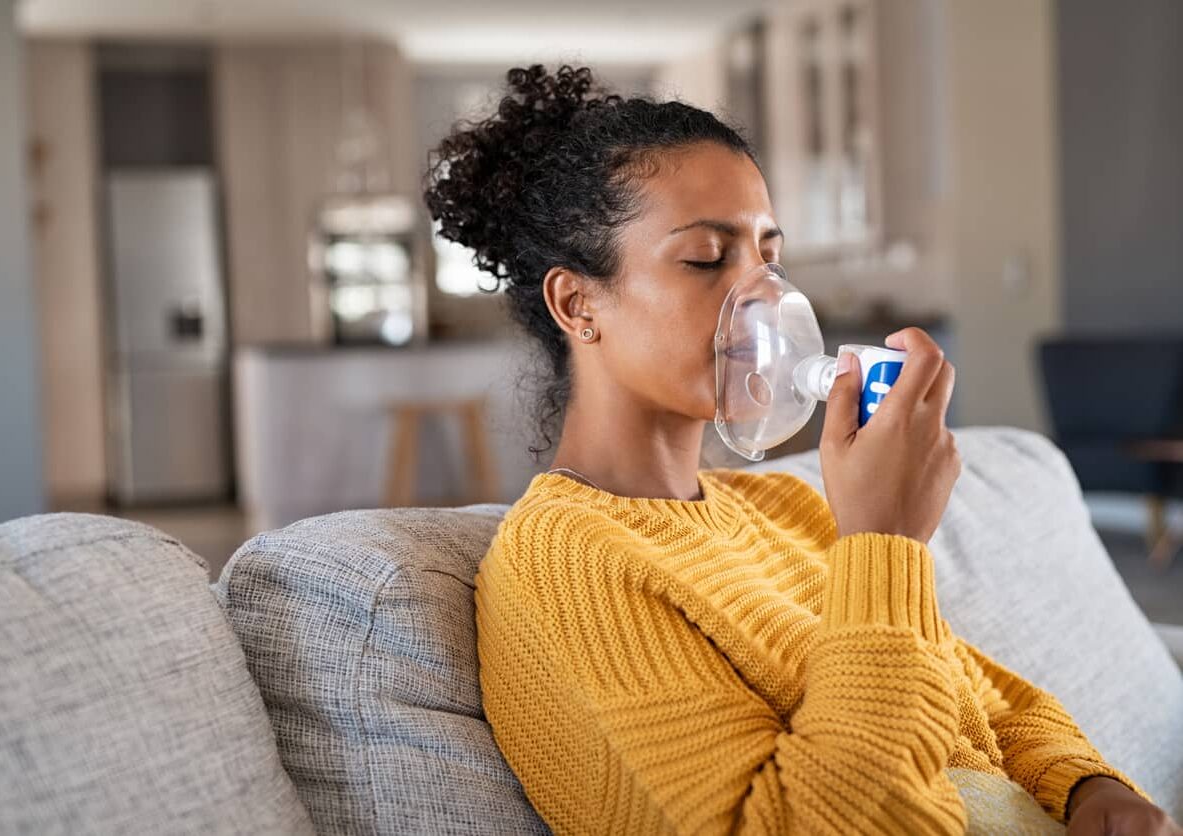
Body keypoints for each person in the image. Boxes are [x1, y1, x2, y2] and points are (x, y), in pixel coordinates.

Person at [423, 63, 1180, 835]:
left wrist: (1090, 788)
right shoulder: (568, 558)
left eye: (767, 258)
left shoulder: (787, 507)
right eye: (706, 259)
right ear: (577, 303)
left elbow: (987, 703)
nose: (760, 301)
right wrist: (884, 542)